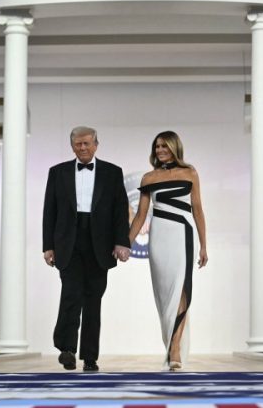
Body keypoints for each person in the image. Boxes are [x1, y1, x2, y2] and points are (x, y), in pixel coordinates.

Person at [43, 126, 131, 372]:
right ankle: (67, 349)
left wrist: (122, 241)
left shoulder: (113, 173)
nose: (82, 148)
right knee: (71, 294)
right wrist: (48, 245)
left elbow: (119, 210)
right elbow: (49, 211)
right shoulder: (57, 172)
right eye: (78, 144)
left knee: (93, 299)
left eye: (87, 144)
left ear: (96, 145)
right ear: (72, 146)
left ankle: (90, 357)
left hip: (99, 243)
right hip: (67, 242)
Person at [128, 131, 208, 371]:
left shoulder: (190, 173)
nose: (160, 150)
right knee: (164, 295)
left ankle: (175, 349)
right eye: (157, 147)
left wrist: (204, 245)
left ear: (174, 147)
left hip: (183, 235)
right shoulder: (148, 178)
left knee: (180, 289)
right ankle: (171, 345)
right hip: (159, 237)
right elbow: (141, 215)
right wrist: (125, 243)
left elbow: (198, 210)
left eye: (164, 146)